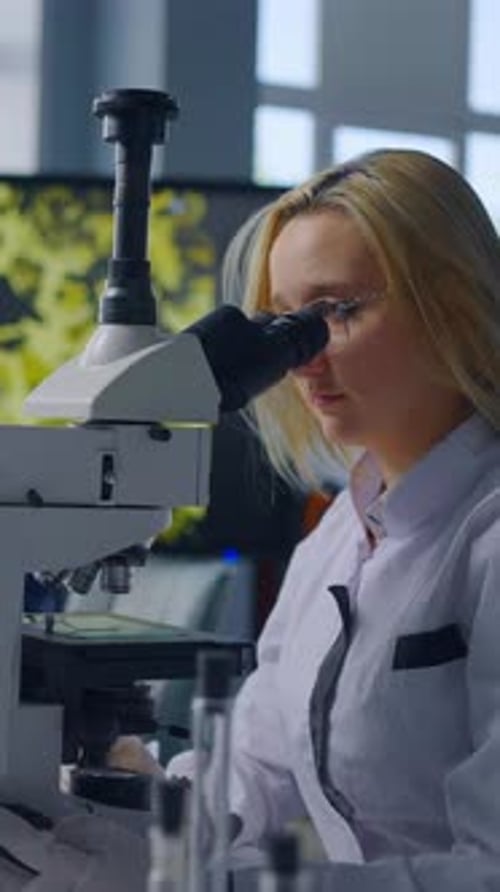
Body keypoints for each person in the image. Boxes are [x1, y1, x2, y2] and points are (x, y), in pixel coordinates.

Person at [168, 148, 500, 891]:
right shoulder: (339, 533)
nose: (302, 357)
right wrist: (129, 822)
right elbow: (255, 767)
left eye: (337, 312)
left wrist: (228, 885)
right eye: (285, 324)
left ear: (455, 301)